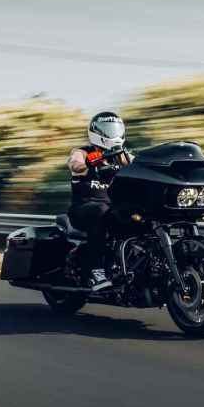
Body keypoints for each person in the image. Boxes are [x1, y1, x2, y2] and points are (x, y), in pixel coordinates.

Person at [67, 112, 132, 290]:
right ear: (96, 132)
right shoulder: (82, 152)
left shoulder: (123, 156)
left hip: (113, 209)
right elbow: (75, 164)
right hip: (83, 207)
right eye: (108, 130)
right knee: (101, 211)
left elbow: (142, 166)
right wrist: (90, 163)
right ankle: (96, 271)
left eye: (116, 129)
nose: (113, 133)